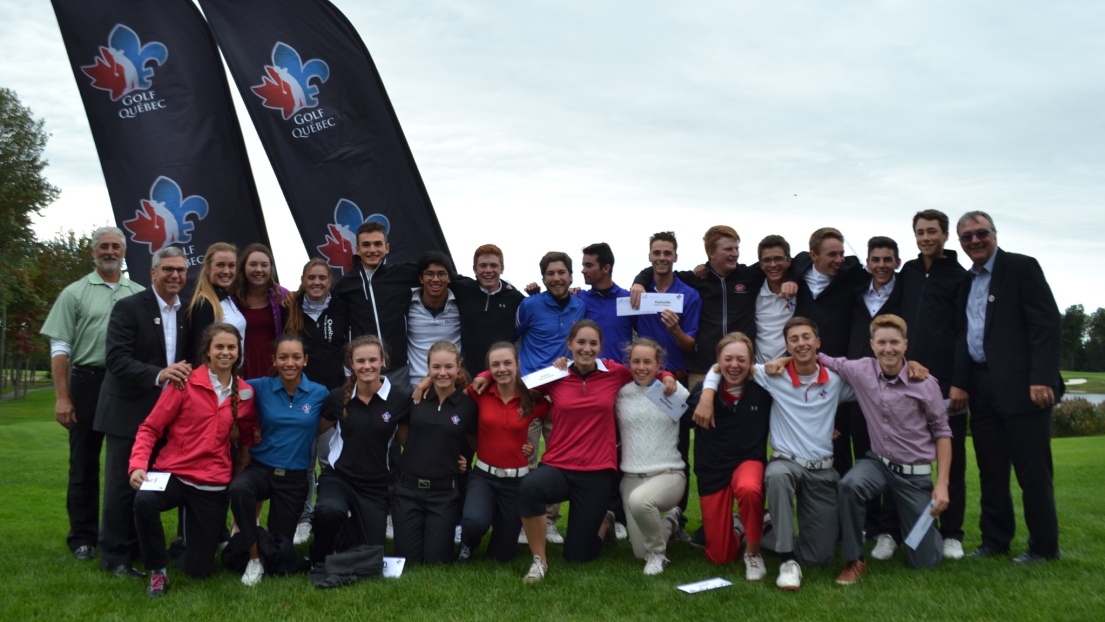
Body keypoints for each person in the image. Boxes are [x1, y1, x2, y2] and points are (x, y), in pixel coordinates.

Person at [501, 320, 677, 583]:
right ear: (569, 344)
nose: (586, 348)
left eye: (593, 343)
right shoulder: (555, 375)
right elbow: (513, 384)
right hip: (558, 466)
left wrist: (668, 376)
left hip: (596, 473)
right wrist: (481, 377)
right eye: (580, 342)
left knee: (577, 556)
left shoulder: (614, 373)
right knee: (531, 486)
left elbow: (646, 371)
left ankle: (604, 521)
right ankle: (539, 559)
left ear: (600, 347)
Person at [700, 316, 854, 590]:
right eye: (793, 339)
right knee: (778, 476)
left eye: (806, 337)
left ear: (818, 342)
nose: (801, 343)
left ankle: (766, 528)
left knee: (819, 556)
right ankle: (787, 561)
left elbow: (874, 381)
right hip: (786, 463)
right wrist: (707, 395)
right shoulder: (773, 375)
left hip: (822, 468)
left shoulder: (836, 380)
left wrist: (910, 365)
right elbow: (720, 366)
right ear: (786, 346)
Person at [952, 210, 1063, 563]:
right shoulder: (967, 281)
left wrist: (1042, 377)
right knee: (992, 470)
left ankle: (1044, 548)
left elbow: (1046, 324)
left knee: (1033, 471)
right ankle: (995, 541)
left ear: (994, 234)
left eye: (980, 233)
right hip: (981, 387)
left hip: (1024, 387)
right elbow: (965, 335)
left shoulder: (1021, 268)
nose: (975, 241)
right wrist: (961, 383)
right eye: (967, 237)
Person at [815, 314, 951, 584]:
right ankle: (854, 559)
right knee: (850, 485)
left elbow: (943, 432)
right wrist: (785, 360)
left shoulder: (925, 384)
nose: (888, 348)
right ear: (872, 344)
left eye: (894, 343)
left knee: (924, 563)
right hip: (878, 463)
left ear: (905, 345)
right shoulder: (861, 370)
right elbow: (822, 358)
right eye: (882, 343)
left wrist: (943, 483)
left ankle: (920, 532)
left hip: (914, 474)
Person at [128, 323, 259, 597]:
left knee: (199, 570)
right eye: (219, 347)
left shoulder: (245, 393)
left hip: (211, 483)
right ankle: (158, 571)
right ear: (208, 352)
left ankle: (179, 547)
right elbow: (150, 428)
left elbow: (248, 435)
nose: (225, 352)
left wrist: (245, 461)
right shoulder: (183, 383)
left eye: (231, 347)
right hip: (172, 473)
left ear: (238, 352)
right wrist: (138, 465)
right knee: (144, 501)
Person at [41, 226, 144, 560]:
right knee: (84, 464)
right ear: (93, 252)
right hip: (87, 383)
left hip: (126, 385)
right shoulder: (74, 293)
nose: (110, 251)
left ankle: (122, 534)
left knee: (125, 467)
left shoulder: (138, 293)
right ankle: (83, 538)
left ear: (124, 252)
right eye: (103, 246)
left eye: (116, 246)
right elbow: (60, 347)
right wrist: (62, 396)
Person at [94, 246, 192, 578]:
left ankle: (140, 547)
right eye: (168, 269)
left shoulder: (186, 312)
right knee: (122, 486)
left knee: (150, 485)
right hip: (127, 411)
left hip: (165, 416)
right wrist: (159, 373)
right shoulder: (128, 307)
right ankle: (115, 556)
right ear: (152, 273)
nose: (175, 275)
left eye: (180, 270)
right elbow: (117, 359)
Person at [229, 335, 330, 586]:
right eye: (283, 357)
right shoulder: (259, 387)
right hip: (261, 470)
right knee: (239, 488)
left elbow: (343, 406)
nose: (289, 363)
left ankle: (248, 544)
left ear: (305, 360)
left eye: (296, 357)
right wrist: (242, 428)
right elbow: (225, 387)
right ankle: (252, 559)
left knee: (280, 553)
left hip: (294, 477)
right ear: (274, 360)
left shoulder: (319, 393)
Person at [900, 209, 970, 560]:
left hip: (946, 385)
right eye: (920, 232)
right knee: (906, 456)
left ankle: (953, 533)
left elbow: (963, 333)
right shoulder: (909, 273)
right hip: (906, 381)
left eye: (932, 231)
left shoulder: (960, 276)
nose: (925, 237)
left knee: (951, 462)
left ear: (944, 235)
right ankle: (903, 529)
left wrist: (959, 382)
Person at [311, 336, 410, 563]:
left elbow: (409, 443)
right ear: (351, 364)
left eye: (373, 360)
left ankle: (349, 533)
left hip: (375, 485)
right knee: (329, 511)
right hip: (339, 478)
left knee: (372, 553)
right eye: (361, 361)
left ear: (383, 361)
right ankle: (320, 552)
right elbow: (313, 431)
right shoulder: (337, 398)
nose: (367, 366)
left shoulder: (399, 399)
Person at [685, 333, 772, 581]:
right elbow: (680, 421)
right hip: (712, 469)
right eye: (728, 359)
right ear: (718, 362)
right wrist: (702, 399)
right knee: (719, 557)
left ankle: (753, 553)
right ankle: (738, 525)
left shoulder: (763, 389)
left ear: (751, 362)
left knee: (749, 487)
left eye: (741, 359)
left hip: (747, 461)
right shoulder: (705, 391)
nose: (734, 365)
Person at [515, 251, 586, 545]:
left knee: (558, 460)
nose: (556, 278)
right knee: (526, 457)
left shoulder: (580, 306)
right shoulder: (529, 305)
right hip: (530, 394)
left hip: (562, 394)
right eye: (550, 274)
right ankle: (525, 523)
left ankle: (551, 522)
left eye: (562, 272)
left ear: (571, 276)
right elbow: (512, 336)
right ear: (543, 278)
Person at [456, 343, 548, 563]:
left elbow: (560, 407)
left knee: (501, 556)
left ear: (518, 364)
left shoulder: (531, 398)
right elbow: (452, 397)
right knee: (474, 522)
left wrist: (533, 449)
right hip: (484, 476)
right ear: (489, 369)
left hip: (516, 481)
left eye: (508, 363)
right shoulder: (480, 392)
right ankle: (468, 544)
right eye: (495, 365)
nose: (502, 369)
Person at [790, 228, 869, 482]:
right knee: (820, 447)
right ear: (813, 255)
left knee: (851, 445)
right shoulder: (799, 274)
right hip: (806, 377)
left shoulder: (850, 276)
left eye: (841, 254)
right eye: (832, 254)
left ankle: (859, 515)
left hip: (842, 375)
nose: (839, 260)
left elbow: (862, 266)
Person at [844, 236, 904, 560]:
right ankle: (869, 523)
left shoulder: (905, 293)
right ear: (867, 262)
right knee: (863, 456)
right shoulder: (857, 294)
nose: (881, 265)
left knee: (892, 457)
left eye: (887, 259)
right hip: (858, 389)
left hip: (894, 388)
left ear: (896, 261)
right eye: (875, 259)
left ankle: (890, 531)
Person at [393, 341, 478, 564]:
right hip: (408, 491)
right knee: (407, 560)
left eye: (448, 367)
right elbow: (404, 437)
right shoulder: (414, 398)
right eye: (436, 367)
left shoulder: (468, 405)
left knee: (437, 561)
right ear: (428, 369)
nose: (442, 373)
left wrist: (459, 459)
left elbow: (474, 441)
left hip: (443, 494)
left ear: (458, 367)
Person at [283, 258, 349, 544]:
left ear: (330, 281)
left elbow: (347, 350)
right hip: (300, 398)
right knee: (304, 462)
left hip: (333, 396)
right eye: (311, 277)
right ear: (303, 279)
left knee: (330, 459)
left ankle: (333, 514)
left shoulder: (342, 307)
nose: (317, 283)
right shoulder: (291, 308)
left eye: (322, 277)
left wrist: (348, 391)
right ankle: (303, 518)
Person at [614, 339, 690, 575]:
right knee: (638, 552)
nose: (641, 367)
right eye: (636, 361)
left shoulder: (673, 390)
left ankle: (658, 555)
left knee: (640, 502)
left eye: (648, 362)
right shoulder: (620, 394)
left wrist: (668, 377)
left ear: (659, 364)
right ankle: (670, 522)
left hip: (668, 474)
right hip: (631, 477)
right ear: (629, 363)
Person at [332, 221, 419, 389]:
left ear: (387, 248)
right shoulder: (346, 285)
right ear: (357, 250)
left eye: (378, 244)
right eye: (366, 245)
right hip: (362, 370)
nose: (372, 250)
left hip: (398, 369)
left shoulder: (403, 275)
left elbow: (437, 272)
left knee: (399, 415)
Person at [449, 244, 526, 379]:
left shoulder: (515, 298)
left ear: (502, 268)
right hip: (466, 376)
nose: (488, 270)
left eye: (493, 265)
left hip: (500, 374)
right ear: (474, 269)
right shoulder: (462, 287)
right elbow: (437, 272)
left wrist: (573, 293)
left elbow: (538, 308)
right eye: (483, 266)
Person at [229, 243, 288, 380]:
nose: (258, 269)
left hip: (273, 363)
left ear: (271, 268)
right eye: (253, 264)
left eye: (264, 265)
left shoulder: (283, 295)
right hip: (242, 362)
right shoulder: (231, 297)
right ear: (244, 267)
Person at [407, 252, 462, 391]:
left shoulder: (461, 304)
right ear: (421, 278)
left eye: (441, 274)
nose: (436, 279)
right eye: (429, 274)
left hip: (452, 384)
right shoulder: (406, 304)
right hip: (415, 386)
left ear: (449, 278)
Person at [186, 242, 247, 358]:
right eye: (220, 265)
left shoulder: (227, 297)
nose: (226, 271)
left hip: (233, 373)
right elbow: (200, 353)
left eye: (231, 265)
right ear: (208, 268)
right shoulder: (204, 303)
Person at [579, 242, 635, 363]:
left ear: (606, 268)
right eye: (583, 265)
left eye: (589, 266)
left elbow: (646, 334)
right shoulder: (579, 299)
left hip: (621, 375)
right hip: (589, 375)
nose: (583, 271)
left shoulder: (628, 299)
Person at [754, 235, 796, 364]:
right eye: (767, 260)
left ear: (788, 261)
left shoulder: (801, 290)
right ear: (761, 264)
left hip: (791, 369)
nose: (773, 265)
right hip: (758, 372)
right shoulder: (753, 293)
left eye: (778, 259)